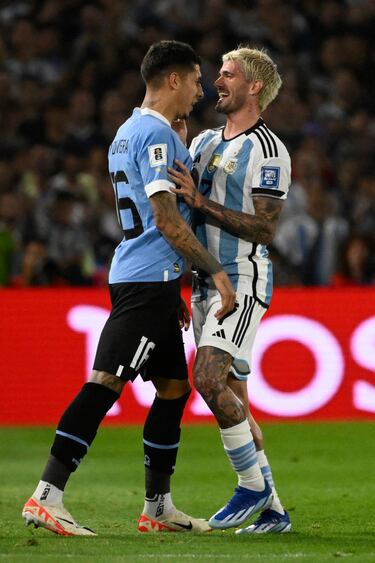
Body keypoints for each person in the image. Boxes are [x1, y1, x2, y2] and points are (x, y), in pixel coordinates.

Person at [22, 40, 235, 537]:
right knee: (105, 382)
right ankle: (47, 495)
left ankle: (158, 507)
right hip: (144, 281)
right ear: (173, 80)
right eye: (198, 80)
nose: (202, 91)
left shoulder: (128, 131)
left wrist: (173, 287)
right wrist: (212, 271)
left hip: (150, 282)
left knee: (173, 387)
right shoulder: (156, 138)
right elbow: (163, 219)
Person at [168, 46, 292, 534]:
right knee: (235, 399)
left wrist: (201, 199)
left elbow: (265, 229)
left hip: (241, 279)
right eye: (217, 74)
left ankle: (251, 486)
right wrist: (180, 277)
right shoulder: (202, 143)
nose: (217, 81)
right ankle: (275, 510)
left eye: (227, 73)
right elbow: (183, 219)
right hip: (202, 283)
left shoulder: (269, 150)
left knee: (208, 378)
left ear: (254, 86)